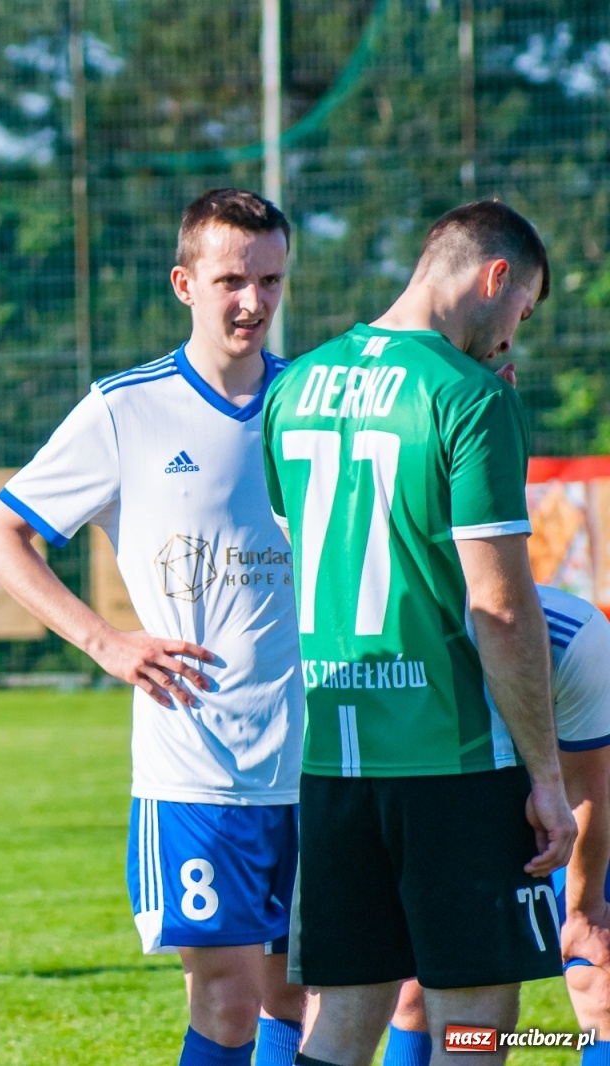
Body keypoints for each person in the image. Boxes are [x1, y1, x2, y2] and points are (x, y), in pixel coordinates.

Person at [0, 188, 306, 1066]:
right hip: (194, 766)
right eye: (232, 278)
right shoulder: (127, 409)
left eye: (270, 279)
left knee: (298, 994)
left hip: (313, 758)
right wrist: (104, 642)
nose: (254, 301)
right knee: (227, 1000)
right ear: (183, 283)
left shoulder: (310, 403)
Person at [262, 199, 574, 1066]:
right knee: (473, 1029)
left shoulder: (293, 386)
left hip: (332, 762)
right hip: (454, 762)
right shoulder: (469, 397)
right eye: (523, 311)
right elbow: (501, 608)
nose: (513, 338)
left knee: (343, 1021)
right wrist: (546, 778)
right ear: (495, 277)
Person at [386, 584, 610, 1066]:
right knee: (419, 997)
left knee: (598, 972)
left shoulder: (574, 635)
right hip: (450, 812)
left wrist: (584, 909)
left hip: (567, 811)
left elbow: (589, 784)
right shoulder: (396, 639)